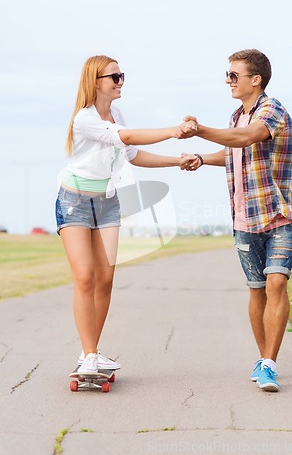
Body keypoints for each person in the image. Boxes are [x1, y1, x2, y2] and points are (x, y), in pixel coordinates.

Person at [56, 55, 197, 374]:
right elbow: (128, 138)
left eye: (122, 76)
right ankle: (89, 355)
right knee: (84, 277)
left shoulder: (115, 113)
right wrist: (175, 130)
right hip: (74, 201)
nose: (121, 82)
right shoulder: (84, 119)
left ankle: (89, 353)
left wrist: (177, 161)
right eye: (114, 77)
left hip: (107, 202)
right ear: (96, 81)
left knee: (105, 280)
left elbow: (132, 154)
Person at [179, 49, 292, 392]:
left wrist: (200, 129)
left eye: (234, 75)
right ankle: (264, 358)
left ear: (255, 79)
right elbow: (233, 149)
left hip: (279, 213)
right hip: (244, 218)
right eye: (228, 75)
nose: (228, 81)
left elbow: (246, 139)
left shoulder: (271, 109)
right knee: (257, 289)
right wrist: (203, 158)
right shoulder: (236, 116)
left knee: (277, 282)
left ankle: (269, 364)